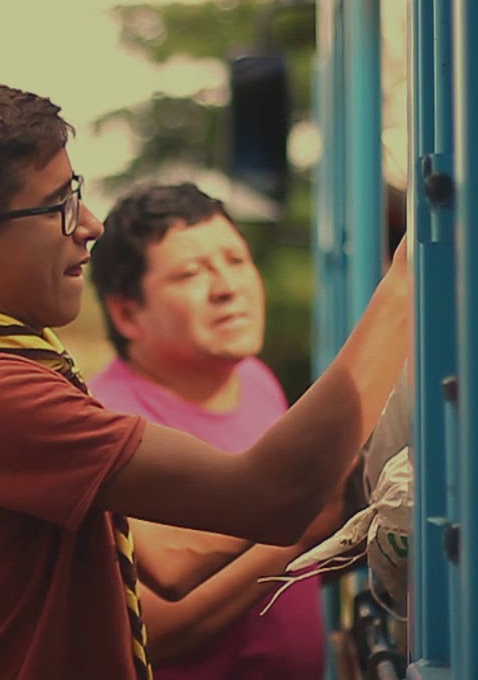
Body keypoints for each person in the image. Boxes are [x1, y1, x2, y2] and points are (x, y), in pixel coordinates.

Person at [0, 76, 409, 680]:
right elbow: (270, 498)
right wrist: (411, 282)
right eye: (59, 207)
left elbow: (169, 557)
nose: (90, 224)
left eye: (79, 194)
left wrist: (327, 499)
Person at [88, 183, 343, 679]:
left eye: (235, 259)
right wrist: (296, 527)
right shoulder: (109, 425)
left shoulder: (254, 377)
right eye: (191, 273)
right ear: (126, 311)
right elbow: (150, 629)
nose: (228, 287)